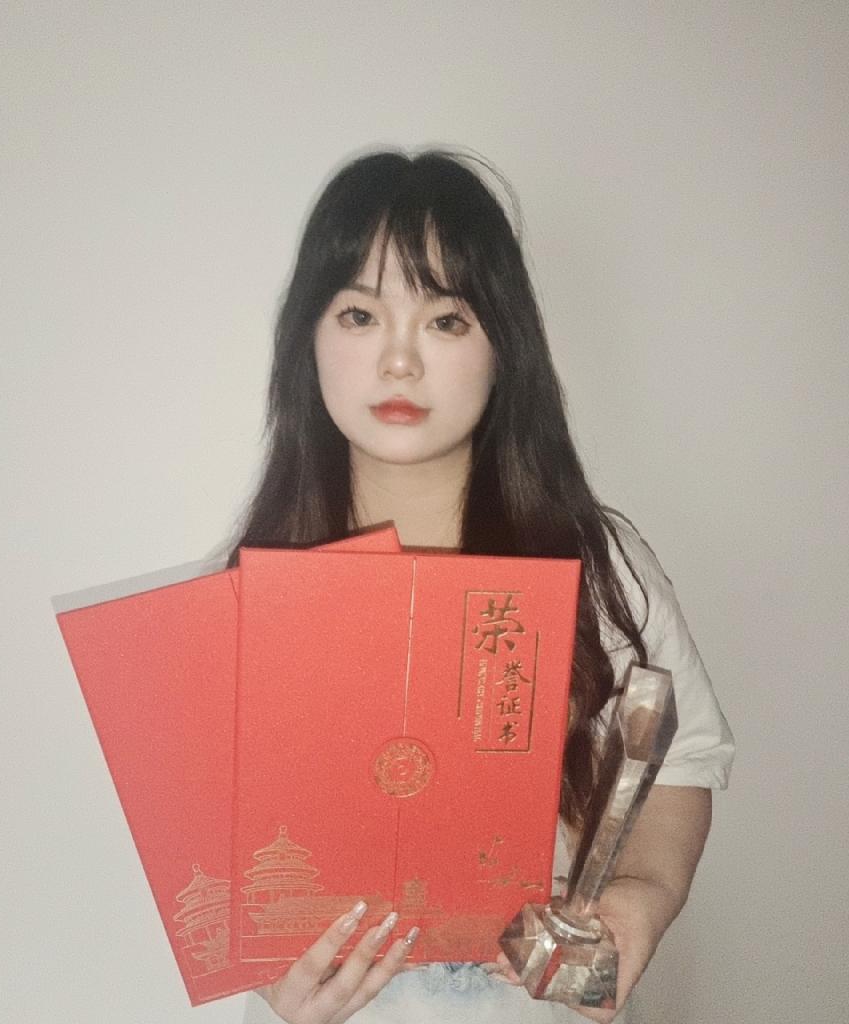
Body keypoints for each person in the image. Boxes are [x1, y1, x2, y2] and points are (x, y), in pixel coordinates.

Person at [233, 149, 734, 1023]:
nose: (399, 361)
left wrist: (642, 902)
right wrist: (262, 960)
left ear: (504, 347)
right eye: (359, 314)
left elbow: (681, 756)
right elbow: (214, 828)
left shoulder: (593, 563)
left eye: (446, 320)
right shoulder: (255, 585)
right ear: (307, 340)